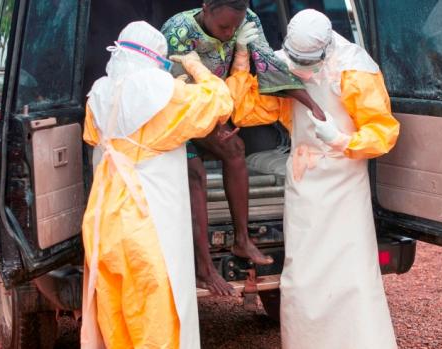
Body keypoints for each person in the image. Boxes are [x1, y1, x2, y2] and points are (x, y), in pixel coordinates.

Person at [226, 9, 400, 348]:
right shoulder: (281, 63)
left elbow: (384, 132)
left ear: (326, 48)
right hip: (304, 180)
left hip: (344, 178)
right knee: (303, 275)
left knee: (350, 272)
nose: (301, 69)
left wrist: (341, 140)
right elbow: (247, 112)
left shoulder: (354, 68)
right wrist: (242, 62)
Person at [80, 21, 233, 348]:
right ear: (157, 59)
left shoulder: (100, 92)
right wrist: (196, 67)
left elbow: (96, 134)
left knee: (115, 314)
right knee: (156, 318)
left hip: (103, 220)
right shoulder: (168, 95)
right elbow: (220, 103)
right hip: (149, 225)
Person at [160, 0, 327, 295]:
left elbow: (266, 63)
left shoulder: (247, 18)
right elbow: (179, 92)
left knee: (235, 149)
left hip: (215, 106)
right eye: (224, 27)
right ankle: (204, 267)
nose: (229, 33)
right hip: (177, 110)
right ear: (206, 7)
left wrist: (310, 102)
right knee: (195, 174)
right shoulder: (179, 31)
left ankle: (242, 239)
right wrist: (215, 122)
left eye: (234, 27)